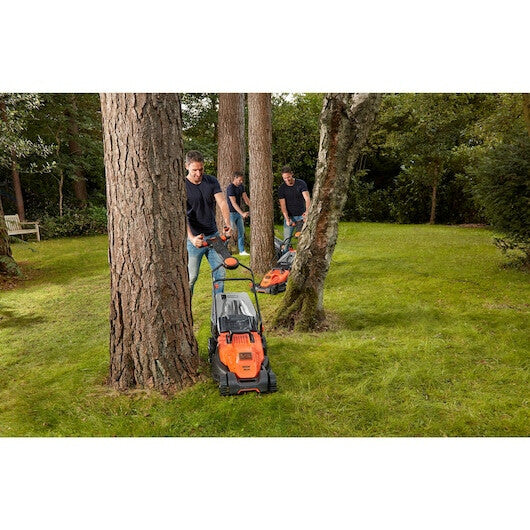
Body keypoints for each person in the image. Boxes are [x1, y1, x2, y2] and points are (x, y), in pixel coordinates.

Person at [185, 150, 232, 296]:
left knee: (220, 275)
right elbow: (181, 215)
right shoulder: (182, 185)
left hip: (214, 236)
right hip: (194, 240)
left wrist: (227, 224)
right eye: (194, 170)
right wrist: (192, 238)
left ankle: (217, 309)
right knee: (191, 278)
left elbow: (222, 202)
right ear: (187, 166)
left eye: (201, 169)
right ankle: (186, 309)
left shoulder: (211, 181)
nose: (198, 173)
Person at [277, 165, 311, 240]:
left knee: (304, 239)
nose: (287, 179)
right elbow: (283, 206)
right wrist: (287, 219)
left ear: (292, 174)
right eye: (284, 178)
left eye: (288, 177)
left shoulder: (301, 183)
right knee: (286, 240)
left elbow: (307, 198)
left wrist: (307, 212)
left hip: (302, 216)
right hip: (290, 217)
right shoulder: (282, 188)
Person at [226, 171, 250, 256]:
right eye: (239, 180)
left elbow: (246, 198)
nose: (241, 181)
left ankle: (242, 251)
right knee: (230, 232)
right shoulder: (230, 188)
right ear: (235, 178)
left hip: (238, 213)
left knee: (241, 231)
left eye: (242, 180)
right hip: (230, 213)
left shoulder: (241, 187)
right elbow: (234, 203)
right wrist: (242, 213)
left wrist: (253, 207)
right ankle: (224, 249)